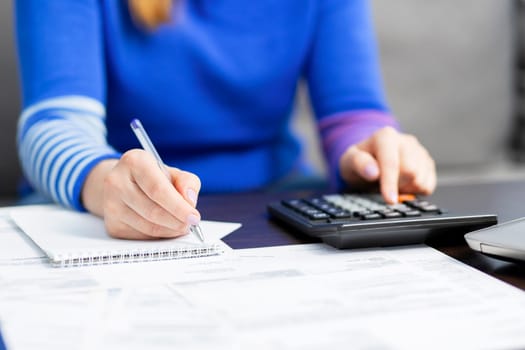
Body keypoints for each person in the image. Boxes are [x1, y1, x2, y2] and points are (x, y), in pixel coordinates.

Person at [14, 0, 436, 240]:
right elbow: (55, 123)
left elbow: (352, 111)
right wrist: (104, 184)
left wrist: (369, 154)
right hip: (107, 215)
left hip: (276, 208)